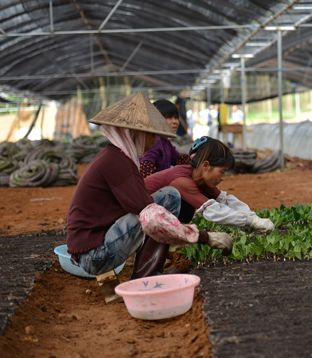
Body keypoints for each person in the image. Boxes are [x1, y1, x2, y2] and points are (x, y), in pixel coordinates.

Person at [66, 93, 232, 280]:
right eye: (152, 135)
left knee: (166, 199)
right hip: (94, 254)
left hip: (94, 245)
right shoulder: (116, 162)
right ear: (136, 134)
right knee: (163, 205)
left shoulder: (118, 158)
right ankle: (146, 277)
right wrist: (206, 237)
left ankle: (147, 272)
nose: (154, 142)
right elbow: (152, 217)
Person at [144, 136, 275, 233]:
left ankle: (173, 238)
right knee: (182, 198)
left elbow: (225, 201)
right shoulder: (181, 179)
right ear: (205, 165)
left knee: (190, 201)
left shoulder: (199, 178)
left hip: (152, 216)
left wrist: (253, 216)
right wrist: (251, 222)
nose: (223, 178)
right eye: (222, 172)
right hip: (137, 218)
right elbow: (212, 211)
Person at [140, 99, 191, 178]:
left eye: (176, 117)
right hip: (153, 187)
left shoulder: (166, 143)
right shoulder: (155, 141)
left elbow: (178, 159)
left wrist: (196, 161)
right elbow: (145, 166)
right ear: (156, 120)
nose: (175, 122)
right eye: (169, 118)